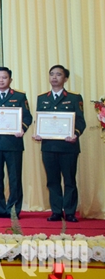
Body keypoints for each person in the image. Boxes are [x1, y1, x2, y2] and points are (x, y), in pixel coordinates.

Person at [35, 64, 86, 222]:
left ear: (65, 78)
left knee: (69, 180)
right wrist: (38, 133)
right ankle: (56, 211)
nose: (54, 77)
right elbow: (40, 120)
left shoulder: (74, 98)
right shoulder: (42, 98)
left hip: (68, 146)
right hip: (49, 147)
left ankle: (70, 212)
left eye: (58, 74)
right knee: (52, 180)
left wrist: (75, 134)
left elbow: (80, 121)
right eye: (52, 74)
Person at [0, 67, 32, 219]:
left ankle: (13, 210)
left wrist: (22, 128)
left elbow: (27, 117)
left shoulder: (19, 96)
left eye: (4, 77)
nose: (1, 80)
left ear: (10, 79)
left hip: (13, 144)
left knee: (14, 178)